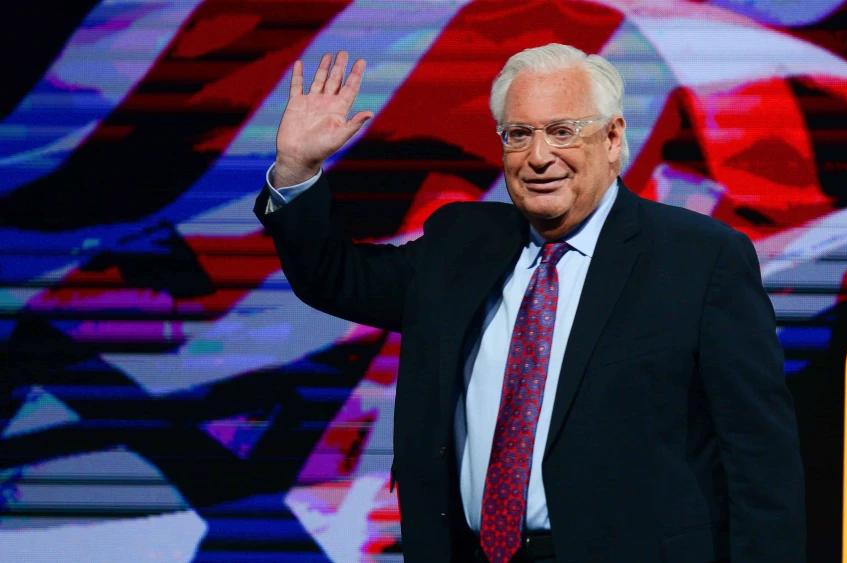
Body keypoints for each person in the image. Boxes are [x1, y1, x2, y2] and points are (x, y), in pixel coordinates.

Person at [254, 44, 805, 563]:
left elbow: (760, 459)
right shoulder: (460, 246)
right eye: (518, 135)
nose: (539, 157)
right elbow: (335, 277)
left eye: (562, 132)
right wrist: (297, 170)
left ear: (612, 138)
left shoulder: (699, 258)